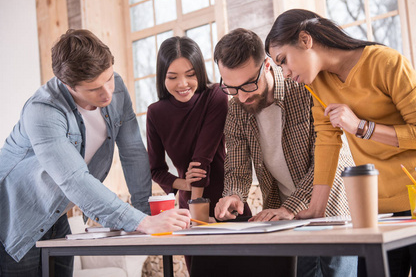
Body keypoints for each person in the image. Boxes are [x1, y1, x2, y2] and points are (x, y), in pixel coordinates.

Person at [265, 8, 416, 277]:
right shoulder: (316, 84)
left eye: (283, 60)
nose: (284, 72)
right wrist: (315, 209)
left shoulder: (385, 62)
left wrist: (363, 128)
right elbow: (327, 143)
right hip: (379, 210)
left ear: (306, 40)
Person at [0, 29, 190, 276]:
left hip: (56, 213)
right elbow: (74, 179)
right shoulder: (43, 111)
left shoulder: (117, 87)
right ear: (68, 85)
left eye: (109, 79)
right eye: (94, 89)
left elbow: (132, 150)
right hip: (14, 218)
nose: (108, 93)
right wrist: (141, 223)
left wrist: (144, 212)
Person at [214, 28, 357, 277]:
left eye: (249, 84)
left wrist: (291, 207)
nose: (242, 96)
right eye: (232, 88)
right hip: (287, 223)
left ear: (268, 65)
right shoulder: (236, 109)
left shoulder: (305, 90)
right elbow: (236, 167)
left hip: (333, 213)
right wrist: (234, 195)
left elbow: (330, 160)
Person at [146, 36, 252, 272]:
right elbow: (155, 169)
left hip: (228, 202)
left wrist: (198, 207)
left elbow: (201, 160)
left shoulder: (215, 95)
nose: (182, 83)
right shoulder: (155, 113)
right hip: (191, 213)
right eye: (172, 77)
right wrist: (183, 184)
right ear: (162, 77)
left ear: (200, 72)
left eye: (190, 74)